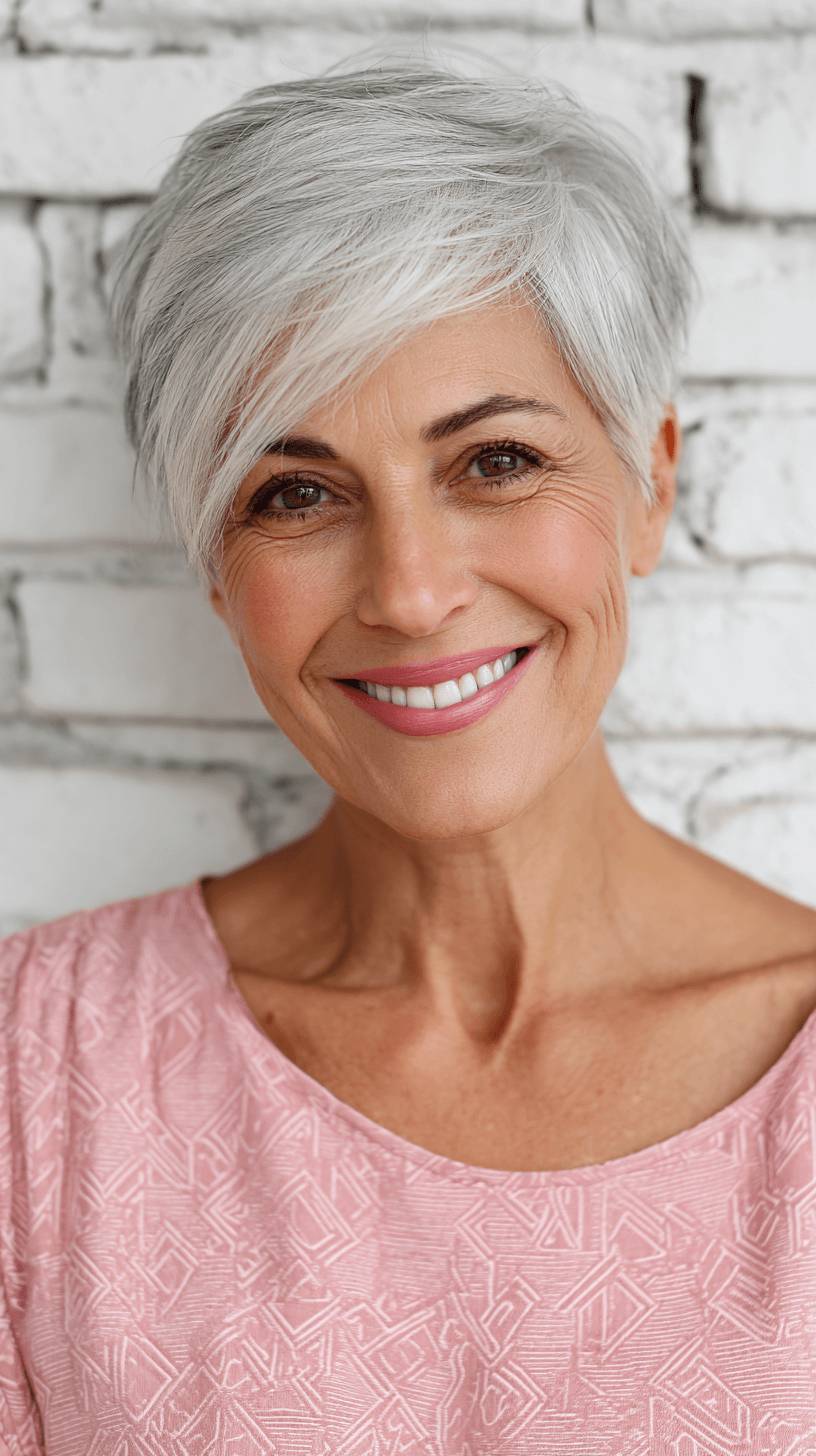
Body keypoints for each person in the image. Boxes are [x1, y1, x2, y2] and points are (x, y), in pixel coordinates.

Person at [3, 53, 816, 1454]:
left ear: (649, 485)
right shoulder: (35, 1079)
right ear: (215, 562)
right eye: (298, 491)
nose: (413, 590)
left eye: (493, 461)